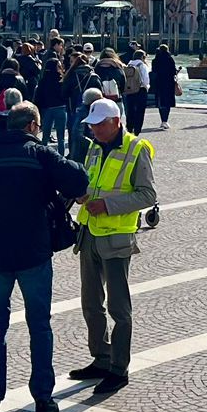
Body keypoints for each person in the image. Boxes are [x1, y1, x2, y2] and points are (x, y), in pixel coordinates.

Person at [0, 102, 89, 412]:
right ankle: (43, 398)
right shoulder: (39, 154)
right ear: (33, 125)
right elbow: (78, 180)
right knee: (39, 323)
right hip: (32, 251)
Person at [71, 98, 157, 394]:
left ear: (116, 122)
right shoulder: (95, 146)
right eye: (92, 125)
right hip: (89, 233)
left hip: (116, 238)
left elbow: (148, 195)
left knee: (119, 307)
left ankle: (119, 368)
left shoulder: (136, 149)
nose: (94, 130)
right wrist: (80, 194)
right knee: (91, 303)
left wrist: (107, 205)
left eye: (100, 125)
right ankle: (101, 357)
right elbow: (90, 180)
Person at [121, 44, 152, 135]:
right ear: (142, 57)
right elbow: (146, 79)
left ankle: (129, 127)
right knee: (140, 110)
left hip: (129, 90)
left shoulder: (129, 64)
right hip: (140, 90)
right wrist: (147, 87)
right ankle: (137, 129)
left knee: (130, 110)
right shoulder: (142, 65)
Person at [150, 41, 180, 129]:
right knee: (167, 102)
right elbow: (173, 71)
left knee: (160, 102)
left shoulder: (155, 60)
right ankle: (165, 120)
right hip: (169, 83)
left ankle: (162, 119)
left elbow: (154, 71)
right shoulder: (170, 59)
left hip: (158, 83)